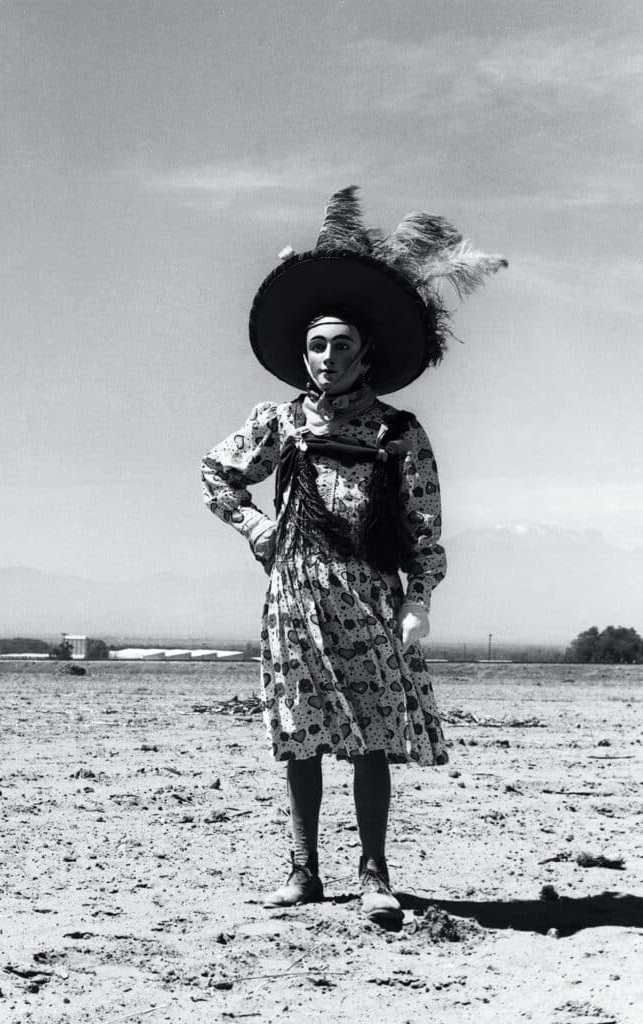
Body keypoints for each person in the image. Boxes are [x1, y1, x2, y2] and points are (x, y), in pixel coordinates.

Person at [201, 186, 505, 923]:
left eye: (340, 344)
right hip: (295, 595)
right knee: (298, 733)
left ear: (364, 351)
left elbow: (424, 526)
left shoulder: (397, 433)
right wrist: (255, 528)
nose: (327, 357)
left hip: (369, 596)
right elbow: (216, 473)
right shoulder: (277, 423)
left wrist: (416, 598)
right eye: (315, 344)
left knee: (370, 736)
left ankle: (373, 873)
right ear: (300, 354)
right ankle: (303, 870)